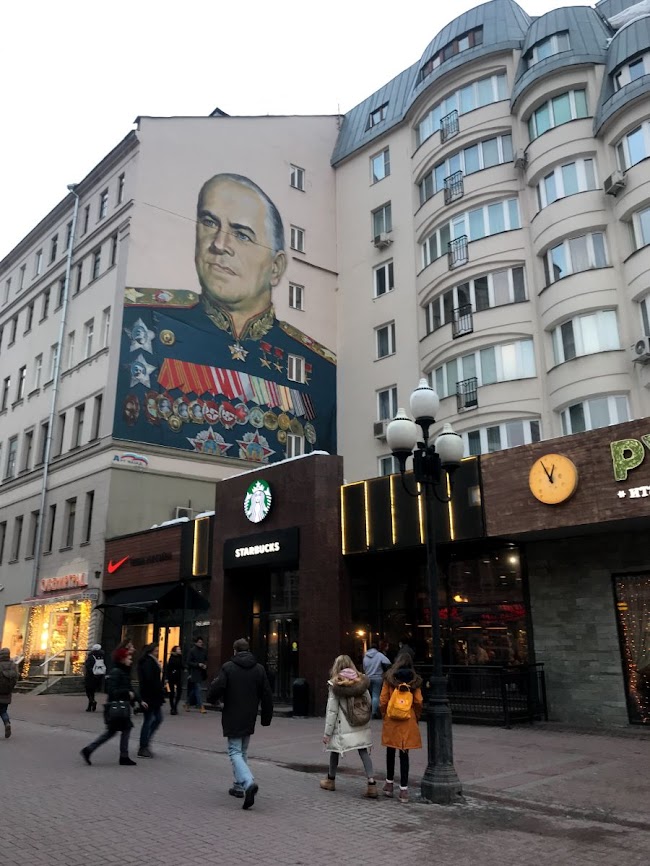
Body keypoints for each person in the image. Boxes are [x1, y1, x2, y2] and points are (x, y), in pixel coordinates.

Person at [114, 173, 337, 465]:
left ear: (276, 267)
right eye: (209, 223)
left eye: (242, 234)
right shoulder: (140, 320)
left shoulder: (319, 368)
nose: (219, 244)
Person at [207, 638, 273, 810]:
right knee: (242, 750)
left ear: (235, 651)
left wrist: (211, 699)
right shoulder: (259, 669)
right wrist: (266, 717)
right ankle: (238, 786)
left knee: (234, 751)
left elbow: (218, 687)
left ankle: (248, 781)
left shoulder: (228, 667)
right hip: (249, 715)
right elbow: (266, 694)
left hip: (232, 714)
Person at [320, 655, 377, 799]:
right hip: (360, 723)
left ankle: (330, 780)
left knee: (334, 751)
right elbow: (368, 703)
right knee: (363, 751)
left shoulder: (335, 685)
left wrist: (327, 733)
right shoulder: (361, 682)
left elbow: (332, 711)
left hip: (342, 726)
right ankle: (372, 784)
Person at [80, 647, 144, 766]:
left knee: (115, 731)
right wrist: (127, 693)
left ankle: (90, 750)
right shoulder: (116, 672)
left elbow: (131, 688)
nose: (131, 659)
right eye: (128, 657)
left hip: (121, 707)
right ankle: (121, 756)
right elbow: (112, 691)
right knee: (116, 731)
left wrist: (139, 700)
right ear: (122, 659)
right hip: (116, 708)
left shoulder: (124, 672)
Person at [379, 653, 424, 803]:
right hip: (408, 719)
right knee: (404, 754)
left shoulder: (389, 679)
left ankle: (389, 784)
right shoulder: (414, 680)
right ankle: (403, 790)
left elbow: (383, 700)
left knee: (390, 751)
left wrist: (385, 714)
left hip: (392, 719)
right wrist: (416, 716)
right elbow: (418, 701)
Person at [137, 643, 165, 758]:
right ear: (150, 651)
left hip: (154, 697)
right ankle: (143, 746)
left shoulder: (151, 661)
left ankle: (145, 743)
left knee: (157, 719)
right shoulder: (148, 662)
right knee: (149, 720)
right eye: (156, 650)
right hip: (150, 697)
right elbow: (149, 680)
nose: (157, 652)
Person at [363, 643, 391, 719]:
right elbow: (388, 662)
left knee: (368, 695)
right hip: (378, 677)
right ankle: (374, 712)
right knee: (376, 695)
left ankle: (366, 711)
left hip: (368, 677)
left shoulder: (365, 655)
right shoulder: (379, 655)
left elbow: (364, 667)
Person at [185, 636, 208, 713]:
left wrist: (204, 665)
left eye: (201, 642)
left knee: (194, 690)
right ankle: (201, 706)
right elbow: (188, 662)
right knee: (198, 689)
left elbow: (206, 659)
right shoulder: (192, 651)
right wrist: (198, 664)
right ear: (196, 643)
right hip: (194, 673)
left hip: (201, 672)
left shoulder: (204, 651)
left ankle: (187, 703)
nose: (201, 643)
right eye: (199, 642)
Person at [0, 647, 19, 738]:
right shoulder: (13, 665)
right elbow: (16, 677)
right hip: (7, 692)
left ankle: (7, 724)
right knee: (3, 711)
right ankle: (7, 723)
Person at [83, 644, 106, 712]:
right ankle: (90, 706)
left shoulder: (91, 657)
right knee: (92, 691)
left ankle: (92, 701)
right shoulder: (102, 656)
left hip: (90, 676)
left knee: (88, 690)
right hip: (98, 676)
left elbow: (87, 666)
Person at [164, 645, 183, 715]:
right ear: (175, 650)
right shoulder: (171, 658)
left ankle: (175, 706)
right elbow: (168, 668)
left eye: (180, 649)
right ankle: (172, 708)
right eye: (178, 649)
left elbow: (182, 666)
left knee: (179, 691)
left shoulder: (180, 657)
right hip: (172, 677)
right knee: (172, 692)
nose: (180, 650)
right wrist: (166, 678)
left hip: (178, 677)